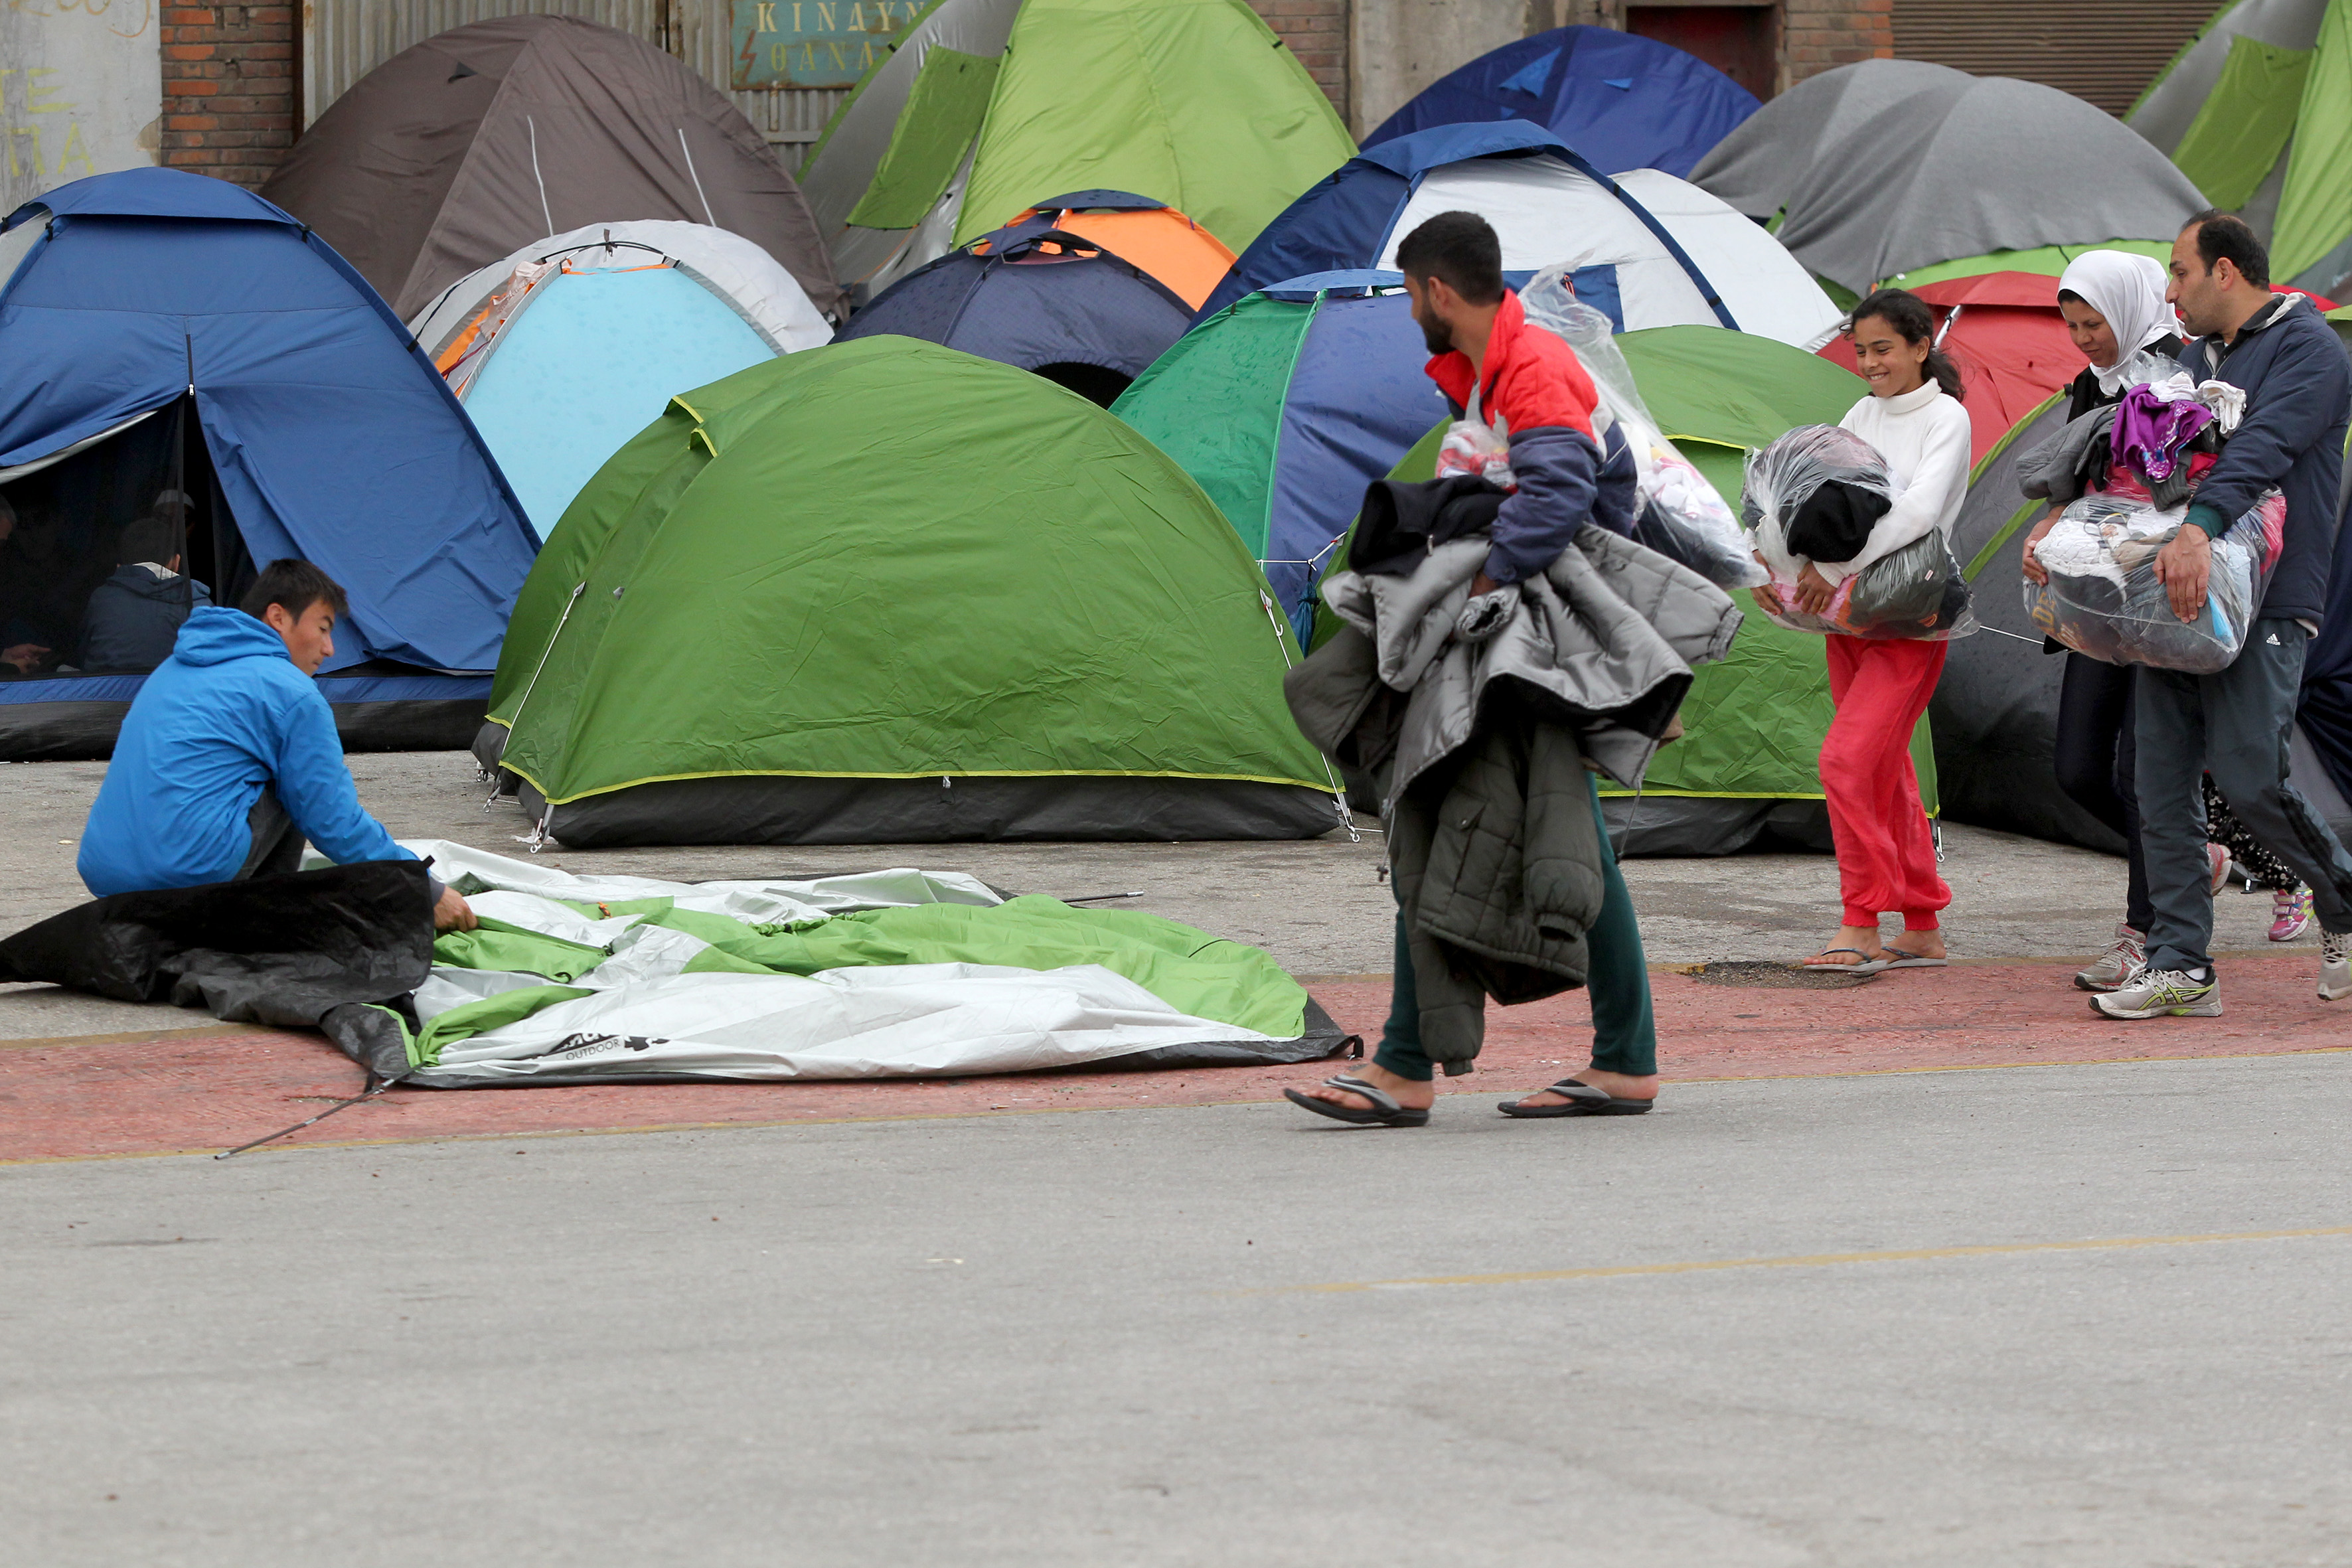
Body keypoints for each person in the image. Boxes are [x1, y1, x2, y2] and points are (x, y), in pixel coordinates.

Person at [1288, 210, 1660, 1126]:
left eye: (1408, 292)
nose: (1408, 308)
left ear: (1435, 291)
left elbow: (1560, 491)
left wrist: (1470, 587)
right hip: (1538, 632)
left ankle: (1406, 1064)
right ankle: (1622, 1057)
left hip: (1530, 637)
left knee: (1437, 816)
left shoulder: (1527, 368)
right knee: (1556, 836)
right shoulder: (1498, 367)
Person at [2093, 212, 2352, 1018]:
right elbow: (2138, 462)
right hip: (2172, 595)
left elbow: (2265, 445)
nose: (2169, 293)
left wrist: (2201, 529)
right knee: (2158, 783)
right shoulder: (2189, 357)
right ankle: (2181, 964)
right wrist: (2072, 524)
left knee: (2249, 775)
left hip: (2270, 599)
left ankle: (2342, 899)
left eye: (2179, 273)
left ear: (2227, 272)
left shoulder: (2311, 348)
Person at [78, 558, 477, 933]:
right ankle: (262, 917)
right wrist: (425, 890)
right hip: (185, 879)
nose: (329, 649)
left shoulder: (175, 666)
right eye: (323, 628)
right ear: (278, 617)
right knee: (295, 782)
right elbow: (334, 821)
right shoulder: (289, 690)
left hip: (106, 876)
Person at [1759, 289, 1972, 971]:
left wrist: (1827, 565)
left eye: (1883, 349)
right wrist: (1770, 562)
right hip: (1848, 617)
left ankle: (1860, 920)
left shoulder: (1948, 418)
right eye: (1861, 350)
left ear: (1921, 345)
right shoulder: (1860, 412)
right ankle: (1920, 919)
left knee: (1845, 762)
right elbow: (1814, 495)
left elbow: (1916, 513)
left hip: (1911, 619)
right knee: (1886, 768)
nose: (1871, 363)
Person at [2019, 252, 2185, 990]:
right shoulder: (2093, 385)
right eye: (2075, 325)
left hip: (2162, 593)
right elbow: (2074, 476)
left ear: (2131, 309)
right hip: (2098, 595)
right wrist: (2047, 530)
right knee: (2079, 768)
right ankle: (2195, 856)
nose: (2085, 338)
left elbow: (2186, 485)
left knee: (2142, 770)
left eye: (2096, 324)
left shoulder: (2184, 371)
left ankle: (2145, 935)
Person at [79, 512, 214, 672]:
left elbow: (83, 654)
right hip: (173, 695)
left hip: (105, 695)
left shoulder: (102, 599)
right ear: (176, 562)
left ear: (119, 567)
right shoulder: (199, 604)